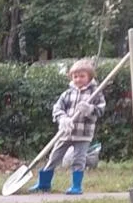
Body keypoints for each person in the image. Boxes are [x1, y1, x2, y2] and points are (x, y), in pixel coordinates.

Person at [38, 58, 105, 195]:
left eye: (82, 76)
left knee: (78, 160)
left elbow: (100, 110)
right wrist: (62, 119)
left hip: (83, 134)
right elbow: (57, 108)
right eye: (75, 76)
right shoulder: (68, 93)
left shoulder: (95, 94)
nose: (78, 79)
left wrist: (89, 109)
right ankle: (43, 184)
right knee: (54, 156)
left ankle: (76, 186)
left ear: (89, 77)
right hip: (66, 132)